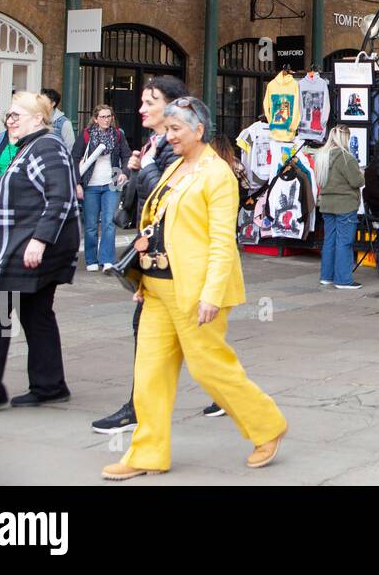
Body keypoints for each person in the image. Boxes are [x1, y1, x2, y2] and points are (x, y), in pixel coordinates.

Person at [102, 97, 286, 480]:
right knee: (150, 373)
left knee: (209, 369)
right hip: (156, 287)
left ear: (198, 130)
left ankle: (266, 426)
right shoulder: (175, 169)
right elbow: (156, 224)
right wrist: (141, 276)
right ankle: (146, 453)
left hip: (196, 291)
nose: (168, 137)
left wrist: (212, 295)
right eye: (167, 129)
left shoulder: (217, 174)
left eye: (175, 130)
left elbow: (222, 241)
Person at [0, 92, 80, 414]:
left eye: (18, 115)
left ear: (39, 119)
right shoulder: (26, 148)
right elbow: (16, 200)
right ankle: (50, 386)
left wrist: (40, 241)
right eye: (9, 115)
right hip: (22, 244)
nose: (10, 120)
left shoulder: (47, 147)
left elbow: (61, 198)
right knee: (36, 314)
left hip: (29, 247)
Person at [92, 75, 188, 435]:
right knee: (153, 333)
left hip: (173, 259)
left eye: (150, 102)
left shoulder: (177, 146)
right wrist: (136, 170)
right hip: (157, 259)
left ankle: (244, 408)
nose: (141, 108)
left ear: (173, 107)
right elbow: (141, 202)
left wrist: (145, 169)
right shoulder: (155, 144)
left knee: (201, 348)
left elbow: (169, 196)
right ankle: (140, 410)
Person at [72, 104, 132, 272]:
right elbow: (74, 158)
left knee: (108, 222)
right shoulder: (86, 135)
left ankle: (107, 259)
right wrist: (77, 183)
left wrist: (125, 173)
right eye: (103, 117)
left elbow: (126, 156)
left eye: (109, 116)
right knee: (91, 225)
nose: (106, 120)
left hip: (111, 183)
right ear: (95, 118)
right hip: (90, 184)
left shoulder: (118, 135)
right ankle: (91, 258)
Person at [316, 125, 366, 290]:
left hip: (326, 204)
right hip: (345, 204)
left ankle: (326, 276)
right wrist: (361, 173)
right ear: (345, 138)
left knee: (329, 240)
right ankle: (343, 279)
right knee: (345, 242)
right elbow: (357, 182)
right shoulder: (346, 158)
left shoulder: (322, 156)